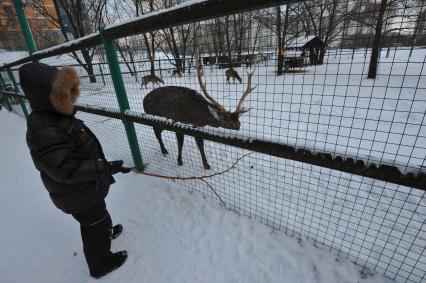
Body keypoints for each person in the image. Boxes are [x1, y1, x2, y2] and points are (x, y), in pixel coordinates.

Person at [19, 62, 129, 278]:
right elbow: (65, 169)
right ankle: (101, 264)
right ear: (47, 96)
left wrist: (104, 169)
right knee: (94, 224)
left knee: (99, 218)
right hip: (77, 193)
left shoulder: (54, 116)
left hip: (86, 188)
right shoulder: (44, 128)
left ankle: (103, 232)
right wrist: (103, 167)